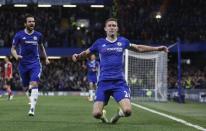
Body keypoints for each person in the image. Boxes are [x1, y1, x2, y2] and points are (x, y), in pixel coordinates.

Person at [72, 18, 168, 124]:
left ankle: (118, 114)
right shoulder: (99, 43)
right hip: (103, 83)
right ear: (105, 29)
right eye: (109, 25)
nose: (112, 27)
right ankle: (103, 116)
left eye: (114, 25)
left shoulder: (123, 41)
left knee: (127, 111)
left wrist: (157, 48)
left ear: (117, 28)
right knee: (96, 114)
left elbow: (139, 48)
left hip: (119, 83)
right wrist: (77, 56)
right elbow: (86, 53)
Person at [11, 14, 50, 116]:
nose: (32, 23)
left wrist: (46, 58)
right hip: (23, 65)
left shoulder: (38, 35)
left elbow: (41, 47)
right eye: (30, 21)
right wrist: (16, 56)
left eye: (33, 21)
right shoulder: (19, 35)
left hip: (35, 64)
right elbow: (13, 49)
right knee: (25, 86)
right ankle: (29, 90)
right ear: (25, 24)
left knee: (34, 83)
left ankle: (32, 108)